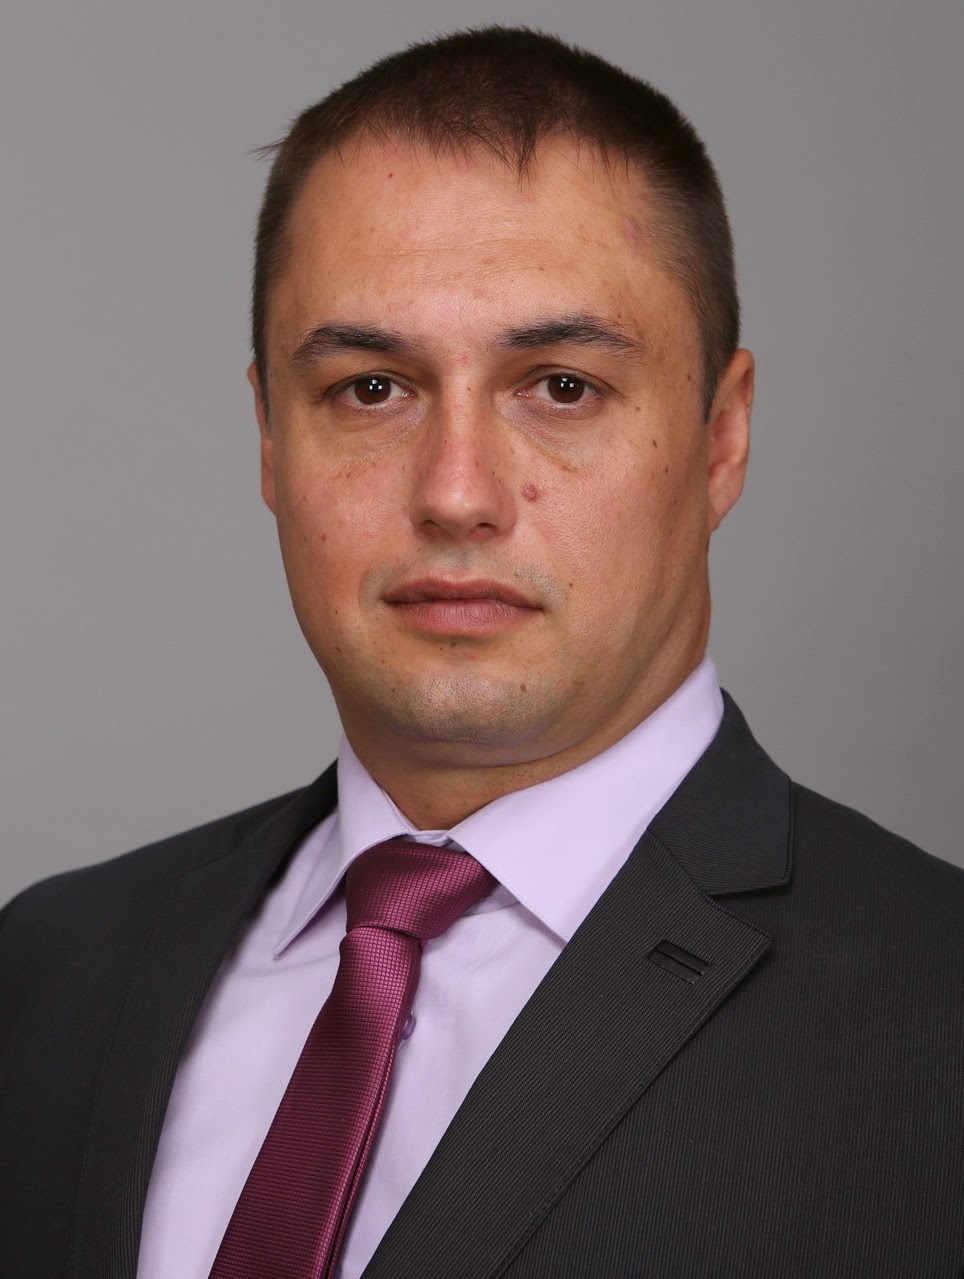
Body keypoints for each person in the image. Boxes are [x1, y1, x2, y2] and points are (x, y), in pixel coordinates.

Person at [1, 26, 962, 1279]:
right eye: (370, 388)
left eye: (560, 386)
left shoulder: (935, 1023)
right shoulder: (47, 973)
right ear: (270, 439)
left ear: (721, 438)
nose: (456, 493)